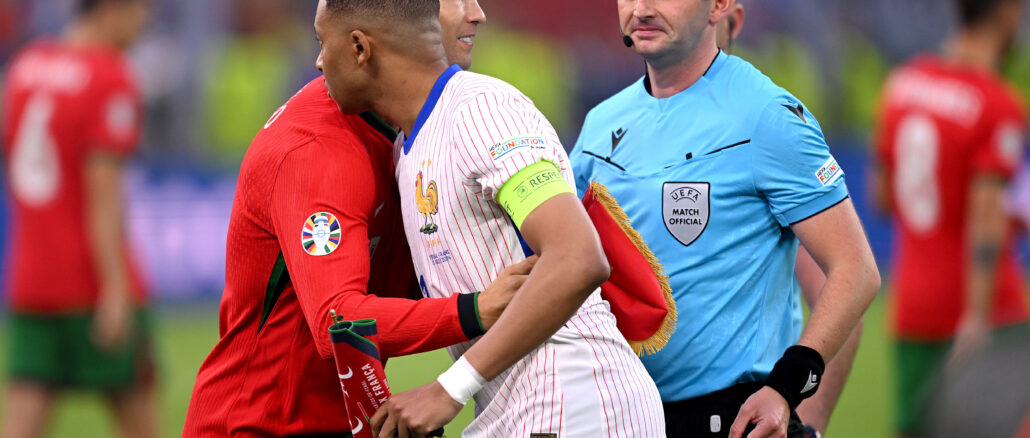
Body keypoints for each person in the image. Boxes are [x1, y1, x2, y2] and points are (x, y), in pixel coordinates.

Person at [310, 0, 665, 436]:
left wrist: (448, 389)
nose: (319, 61)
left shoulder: (481, 111)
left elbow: (578, 258)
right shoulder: (407, 149)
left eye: (322, 42)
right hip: (515, 410)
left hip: (575, 401)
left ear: (360, 48)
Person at [181, 0, 537, 436]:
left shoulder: (416, 133)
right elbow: (338, 320)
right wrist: (474, 310)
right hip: (257, 426)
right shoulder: (316, 149)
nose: (477, 13)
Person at [570, 0, 880, 437]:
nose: (641, 8)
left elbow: (856, 269)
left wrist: (787, 390)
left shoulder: (768, 115)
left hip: (732, 421)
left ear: (718, 6)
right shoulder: (600, 125)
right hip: (623, 418)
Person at [870, 0, 1029, 436]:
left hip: (913, 309)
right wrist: (976, 316)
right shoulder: (997, 103)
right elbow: (985, 218)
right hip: (988, 313)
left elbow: (881, 198)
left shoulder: (902, 84)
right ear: (1008, 12)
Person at [1, 0, 155, 437]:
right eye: (141, 10)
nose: (144, 23)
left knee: (22, 418)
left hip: (32, 280)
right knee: (139, 416)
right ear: (113, 9)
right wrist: (116, 288)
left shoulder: (24, 67)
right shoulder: (109, 75)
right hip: (90, 282)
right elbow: (103, 194)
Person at [716, 3, 864, 437]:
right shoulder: (620, 128)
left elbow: (842, 284)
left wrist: (805, 418)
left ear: (729, 21)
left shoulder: (757, 124)